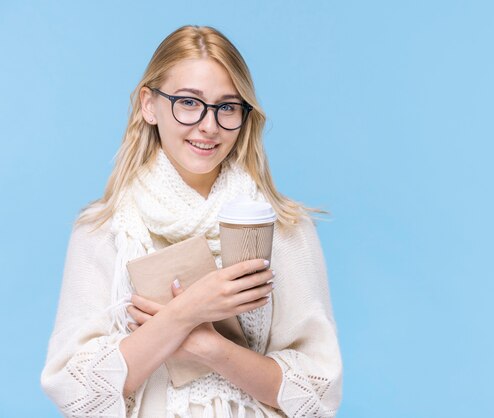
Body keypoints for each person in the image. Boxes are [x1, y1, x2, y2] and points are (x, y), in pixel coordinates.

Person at [40, 25, 343, 418]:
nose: (209, 126)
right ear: (149, 105)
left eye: (227, 107)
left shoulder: (284, 229)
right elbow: (74, 391)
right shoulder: (103, 230)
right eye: (188, 102)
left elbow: (318, 394)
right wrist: (187, 312)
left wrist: (208, 346)